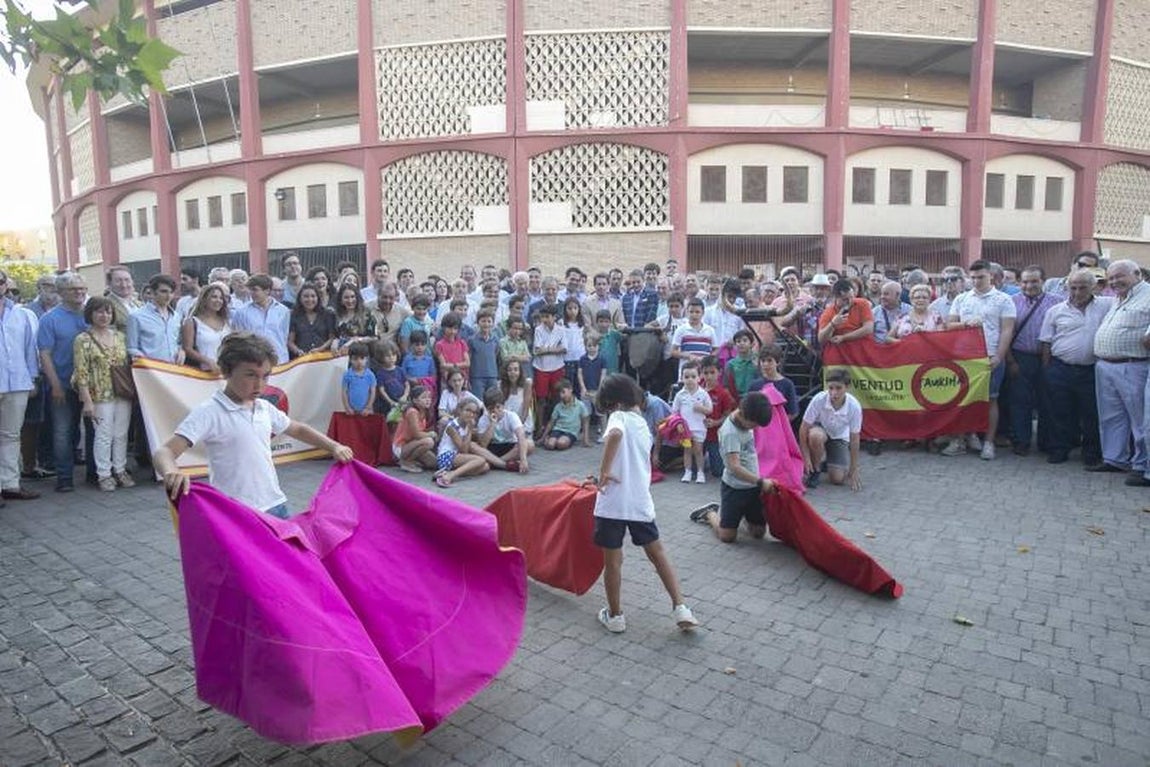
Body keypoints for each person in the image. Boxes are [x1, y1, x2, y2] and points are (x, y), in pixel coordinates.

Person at [154, 333, 352, 516]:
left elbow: (298, 429)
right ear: (226, 372)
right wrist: (172, 472)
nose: (259, 384)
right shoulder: (209, 412)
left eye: (265, 376)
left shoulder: (264, 407)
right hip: (235, 511)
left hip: (276, 504)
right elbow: (164, 452)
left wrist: (334, 446)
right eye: (250, 375)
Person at [592, 373, 698, 633]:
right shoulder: (642, 423)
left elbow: (615, 434)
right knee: (658, 554)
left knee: (613, 562)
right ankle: (680, 607)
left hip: (613, 503)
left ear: (614, 402)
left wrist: (603, 471)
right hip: (639, 501)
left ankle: (615, 616)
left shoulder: (618, 417)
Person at [1039, 269, 1114, 467]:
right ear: (1067, 288)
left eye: (1083, 287)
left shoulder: (1107, 306)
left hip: (1091, 369)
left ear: (1093, 287)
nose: (1077, 292)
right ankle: (1059, 449)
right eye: (1073, 287)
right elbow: (1046, 342)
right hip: (1060, 368)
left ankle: (1091, 453)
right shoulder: (1055, 311)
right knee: (1059, 411)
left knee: (1091, 413)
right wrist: (1047, 370)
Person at [945, 259, 1017, 461]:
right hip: (964, 358)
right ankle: (960, 439)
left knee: (991, 399)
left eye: (981, 277)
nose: (976, 281)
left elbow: (1007, 330)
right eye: (973, 277)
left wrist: (999, 356)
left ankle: (988, 442)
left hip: (990, 356)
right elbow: (949, 326)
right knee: (961, 399)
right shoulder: (961, 299)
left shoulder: (1004, 300)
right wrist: (966, 323)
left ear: (991, 276)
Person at [688, 391, 777, 543]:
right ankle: (710, 513)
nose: (755, 428)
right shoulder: (730, 433)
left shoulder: (746, 412)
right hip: (734, 489)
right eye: (754, 424)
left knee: (759, 533)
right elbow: (734, 467)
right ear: (744, 416)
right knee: (727, 537)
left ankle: (741, 516)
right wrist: (761, 482)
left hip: (752, 487)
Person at [1091, 260, 1150, 483]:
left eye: (1119, 276)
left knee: (1140, 419)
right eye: (1111, 278)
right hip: (1106, 365)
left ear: (1137, 273)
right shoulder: (1118, 298)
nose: (1114, 282)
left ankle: (1141, 464)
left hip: (1134, 366)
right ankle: (1115, 459)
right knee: (1111, 417)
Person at [38, 272, 95, 492]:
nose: (80, 293)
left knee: (94, 430)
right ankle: (64, 477)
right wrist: (55, 385)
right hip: (62, 383)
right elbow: (45, 354)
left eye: (82, 288)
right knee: (63, 431)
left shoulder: (92, 313)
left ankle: (93, 473)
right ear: (61, 293)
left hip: (92, 385)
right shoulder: (49, 319)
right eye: (74, 289)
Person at [72, 297, 135, 491]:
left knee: (121, 433)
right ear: (90, 314)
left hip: (121, 392)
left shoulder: (119, 336)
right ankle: (104, 474)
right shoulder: (83, 339)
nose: (104, 316)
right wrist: (87, 400)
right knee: (103, 434)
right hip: (98, 394)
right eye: (99, 311)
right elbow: (81, 371)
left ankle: (120, 469)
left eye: (108, 312)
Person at [1004, 266, 1060, 456]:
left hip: (1050, 358)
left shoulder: (1057, 303)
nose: (1029, 285)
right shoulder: (1011, 302)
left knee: (1048, 402)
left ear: (1043, 281)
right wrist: (1010, 361)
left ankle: (1047, 442)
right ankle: (1021, 441)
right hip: (1020, 357)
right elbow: (1006, 335)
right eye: (1025, 281)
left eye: (1034, 281)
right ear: (1020, 282)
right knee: (1020, 401)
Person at [0, 267, 41, 504]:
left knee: (11, 435)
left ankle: (10, 484)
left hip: (17, 382)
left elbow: (30, 349)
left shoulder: (21, 314)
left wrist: (32, 377)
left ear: (6, 284)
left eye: (0, 281)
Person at [799, 368, 863, 491]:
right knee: (815, 436)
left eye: (838, 388)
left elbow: (855, 438)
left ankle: (825, 462)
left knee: (837, 479)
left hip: (839, 437)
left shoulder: (854, 406)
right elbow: (803, 428)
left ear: (847, 387)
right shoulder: (819, 399)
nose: (834, 393)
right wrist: (806, 457)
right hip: (820, 430)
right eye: (831, 388)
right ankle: (815, 470)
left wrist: (854, 468)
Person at [434, 400, 497, 488]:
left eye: (474, 413)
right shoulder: (452, 426)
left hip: (456, 456)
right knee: (480, 460)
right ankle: (449, 476)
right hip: (445, 456)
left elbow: (483, 444)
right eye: (468, 410)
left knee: (485, 467)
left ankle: (445, 473)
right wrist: (470, 430)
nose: (471, 415)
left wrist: (492, 423)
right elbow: (463, 450)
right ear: (460, 410)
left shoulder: (467, 425)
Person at [231, 274, 291, 364]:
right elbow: (238, 339)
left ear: (267, 291)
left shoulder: (283, 311)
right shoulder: (241, 313)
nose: (251, 293)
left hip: (280, 361)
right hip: (253, 361)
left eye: (255, 290)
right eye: (250, 290)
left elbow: (284, 336)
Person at [670, 361, 712, 483]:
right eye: (686, 377)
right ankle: (687, 472)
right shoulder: (680, 395)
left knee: (698, 450)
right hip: (685, 429)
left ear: (699, 378)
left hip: (699, 427)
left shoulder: (703, 394)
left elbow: (709, 410)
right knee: (687, 450)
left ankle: (700, 472)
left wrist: (701, 408)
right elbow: (675, 412)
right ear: (682, 378)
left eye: (693, 377)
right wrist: (678, 424)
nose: (690, 380)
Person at [127, 274, 184, 363]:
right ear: (153, 292)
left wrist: (181, 351)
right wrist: (148, 363)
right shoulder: (136, 316)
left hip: (174, 370)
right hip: (150, 371)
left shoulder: (176, 317)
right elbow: (132, 348)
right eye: (164, 292)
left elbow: (178, 342)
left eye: (171, 292)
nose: (168, 296)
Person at [476, 388, 533, 474]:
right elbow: (483, 444)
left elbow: (521, 436)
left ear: (503, 405)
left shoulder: (511, 416)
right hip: (492, 447)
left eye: (498, 407)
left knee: (529, 444)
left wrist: (523, 459)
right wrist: (492, 424)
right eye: (491, 408)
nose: (495, 410)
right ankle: (504, 465)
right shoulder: (483, 420)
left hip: (509, 447)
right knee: (473, 446)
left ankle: (495, 463)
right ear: (487, 409)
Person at [699, 356, 737, 480]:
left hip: (715, 436)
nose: (709, 376)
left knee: (718, 472)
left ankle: (714, 459)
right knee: (695, 469)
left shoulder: (723, 393)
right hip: (697, 434)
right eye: (705, 373)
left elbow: (728, 415)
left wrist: (716, 422)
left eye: (712, 372)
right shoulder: (696, 389)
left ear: (719, 372)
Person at [181, 283, 231, 374]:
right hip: (202, 372)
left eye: (221, 298)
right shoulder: (192, 322)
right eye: (214, 297)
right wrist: (208, 361)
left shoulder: (226, 322)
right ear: (204, 299)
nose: (218, 300)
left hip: (224, 372)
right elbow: (187, 349)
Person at [531, 304, 566, 435]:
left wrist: (547, 349)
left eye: (547, 317)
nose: (545, 319)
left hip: (557, 367)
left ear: (554, 317)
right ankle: (540, 427)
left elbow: (564, 349)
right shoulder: (538, 330)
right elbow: (537, 351)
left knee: (557, 397)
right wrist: (554, 349)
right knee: (541, 398)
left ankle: (556, 426)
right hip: (541, 368)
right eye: (543, 317)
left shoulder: (561, 330)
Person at [392, 386, 437, 473]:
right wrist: (431, 434)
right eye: (424, 397)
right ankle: (406, 462)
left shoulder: (424, 411)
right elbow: (417, 434)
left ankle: (413, 460)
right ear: (415, 400)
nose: (428, 400)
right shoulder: (412, 412)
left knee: (433, 463)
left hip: (413, 444)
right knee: (429, 441)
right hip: (401, 447)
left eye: (429, 397)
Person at [818, 279, 874, 347]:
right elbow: (821, 339)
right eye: (845, 299)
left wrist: (844, 337)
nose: (850, 301)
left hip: (861, 345)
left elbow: (869, 328)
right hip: (840, 348)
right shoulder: (829, 312)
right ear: (835, 298)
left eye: (852, 297)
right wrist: (832, 324)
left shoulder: (862, 303)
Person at [287, 284, 337, 358]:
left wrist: (320, 349)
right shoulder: (294, 315)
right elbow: (290, 341)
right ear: (300, 298)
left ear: (318, 298)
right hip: (301, 360)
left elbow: (332, 338)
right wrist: (298, 351)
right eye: (306, 296)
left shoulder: (327, 314)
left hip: (324, 358)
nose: (310, 299)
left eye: (313, 296)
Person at [748, 345, 798, 417]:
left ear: (778, 362)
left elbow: (793, 412)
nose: (765, 364)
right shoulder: (754, 385)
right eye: (763, 361)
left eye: (769, 360)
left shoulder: (787, 384)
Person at [543, 379, 588, 450]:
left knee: (561, 444)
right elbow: (551, 422)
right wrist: (543, 436)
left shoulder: (580, 405)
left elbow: (585, 422)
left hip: (571, 432)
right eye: (560, 393)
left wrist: (585, 439)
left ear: (570, 390)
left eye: (563, 392)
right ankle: (547, 438)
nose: (561, 396)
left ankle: (563, 441)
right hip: (558, 429)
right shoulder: (558, 406)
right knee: (550, 445)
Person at [331, 284, 376, 354]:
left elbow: (375, 337)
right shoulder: (337, 315)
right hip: (342, 356)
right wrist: (335, 341)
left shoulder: (367, 314)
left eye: (352, 297)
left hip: (361, 355)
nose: (350, 300)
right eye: (346, 297)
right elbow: (336, 335)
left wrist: (357, 340)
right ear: (341, 300)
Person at [371, 340, 408, 417]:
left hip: (402, 402)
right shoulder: (380, 373)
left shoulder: (400, 370)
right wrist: (390, 402)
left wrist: (405, 396)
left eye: (393, 355)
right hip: (388, 405)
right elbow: (381, 390)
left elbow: (407, 384)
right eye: (388, 356)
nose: (391, 358)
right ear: (381, 357)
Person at [468, 309, 500, 397]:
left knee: (493, 400)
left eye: (489, 321)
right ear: (478, 322)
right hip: (477, 376)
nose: (486, 324)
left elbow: (496, 354)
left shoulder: (495, 340)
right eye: (483, 321)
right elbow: (469, 359)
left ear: (493, 323)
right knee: (478, 401)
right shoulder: (472, 340)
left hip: (492, 375)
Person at [341, 342, 377, 416]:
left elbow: (372, 392)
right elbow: (344, 392)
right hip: (351, 411)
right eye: (355, 359)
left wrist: (368, 407)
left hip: (367, 411)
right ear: (350, 359)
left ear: (367, 359)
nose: (359, 362)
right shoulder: (347, 375)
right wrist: (347, 407)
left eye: (362, 358)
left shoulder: (370, 375)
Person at [105, 266, 141, 332]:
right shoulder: (105, 305)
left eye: (127, 280)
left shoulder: (140, 304)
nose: (124, 285)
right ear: (109, 283)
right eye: (118, 281)